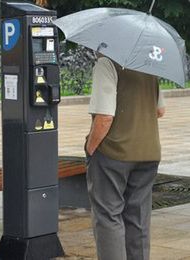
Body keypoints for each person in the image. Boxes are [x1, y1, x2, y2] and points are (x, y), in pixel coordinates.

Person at [85, 54, 165, 260]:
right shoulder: (148, 65)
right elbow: (160, 110)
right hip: (148, 151)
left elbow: (104, 117)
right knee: (138, 218)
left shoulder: (107, 63)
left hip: (114, 152)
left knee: (108, 216)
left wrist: (91, 147)